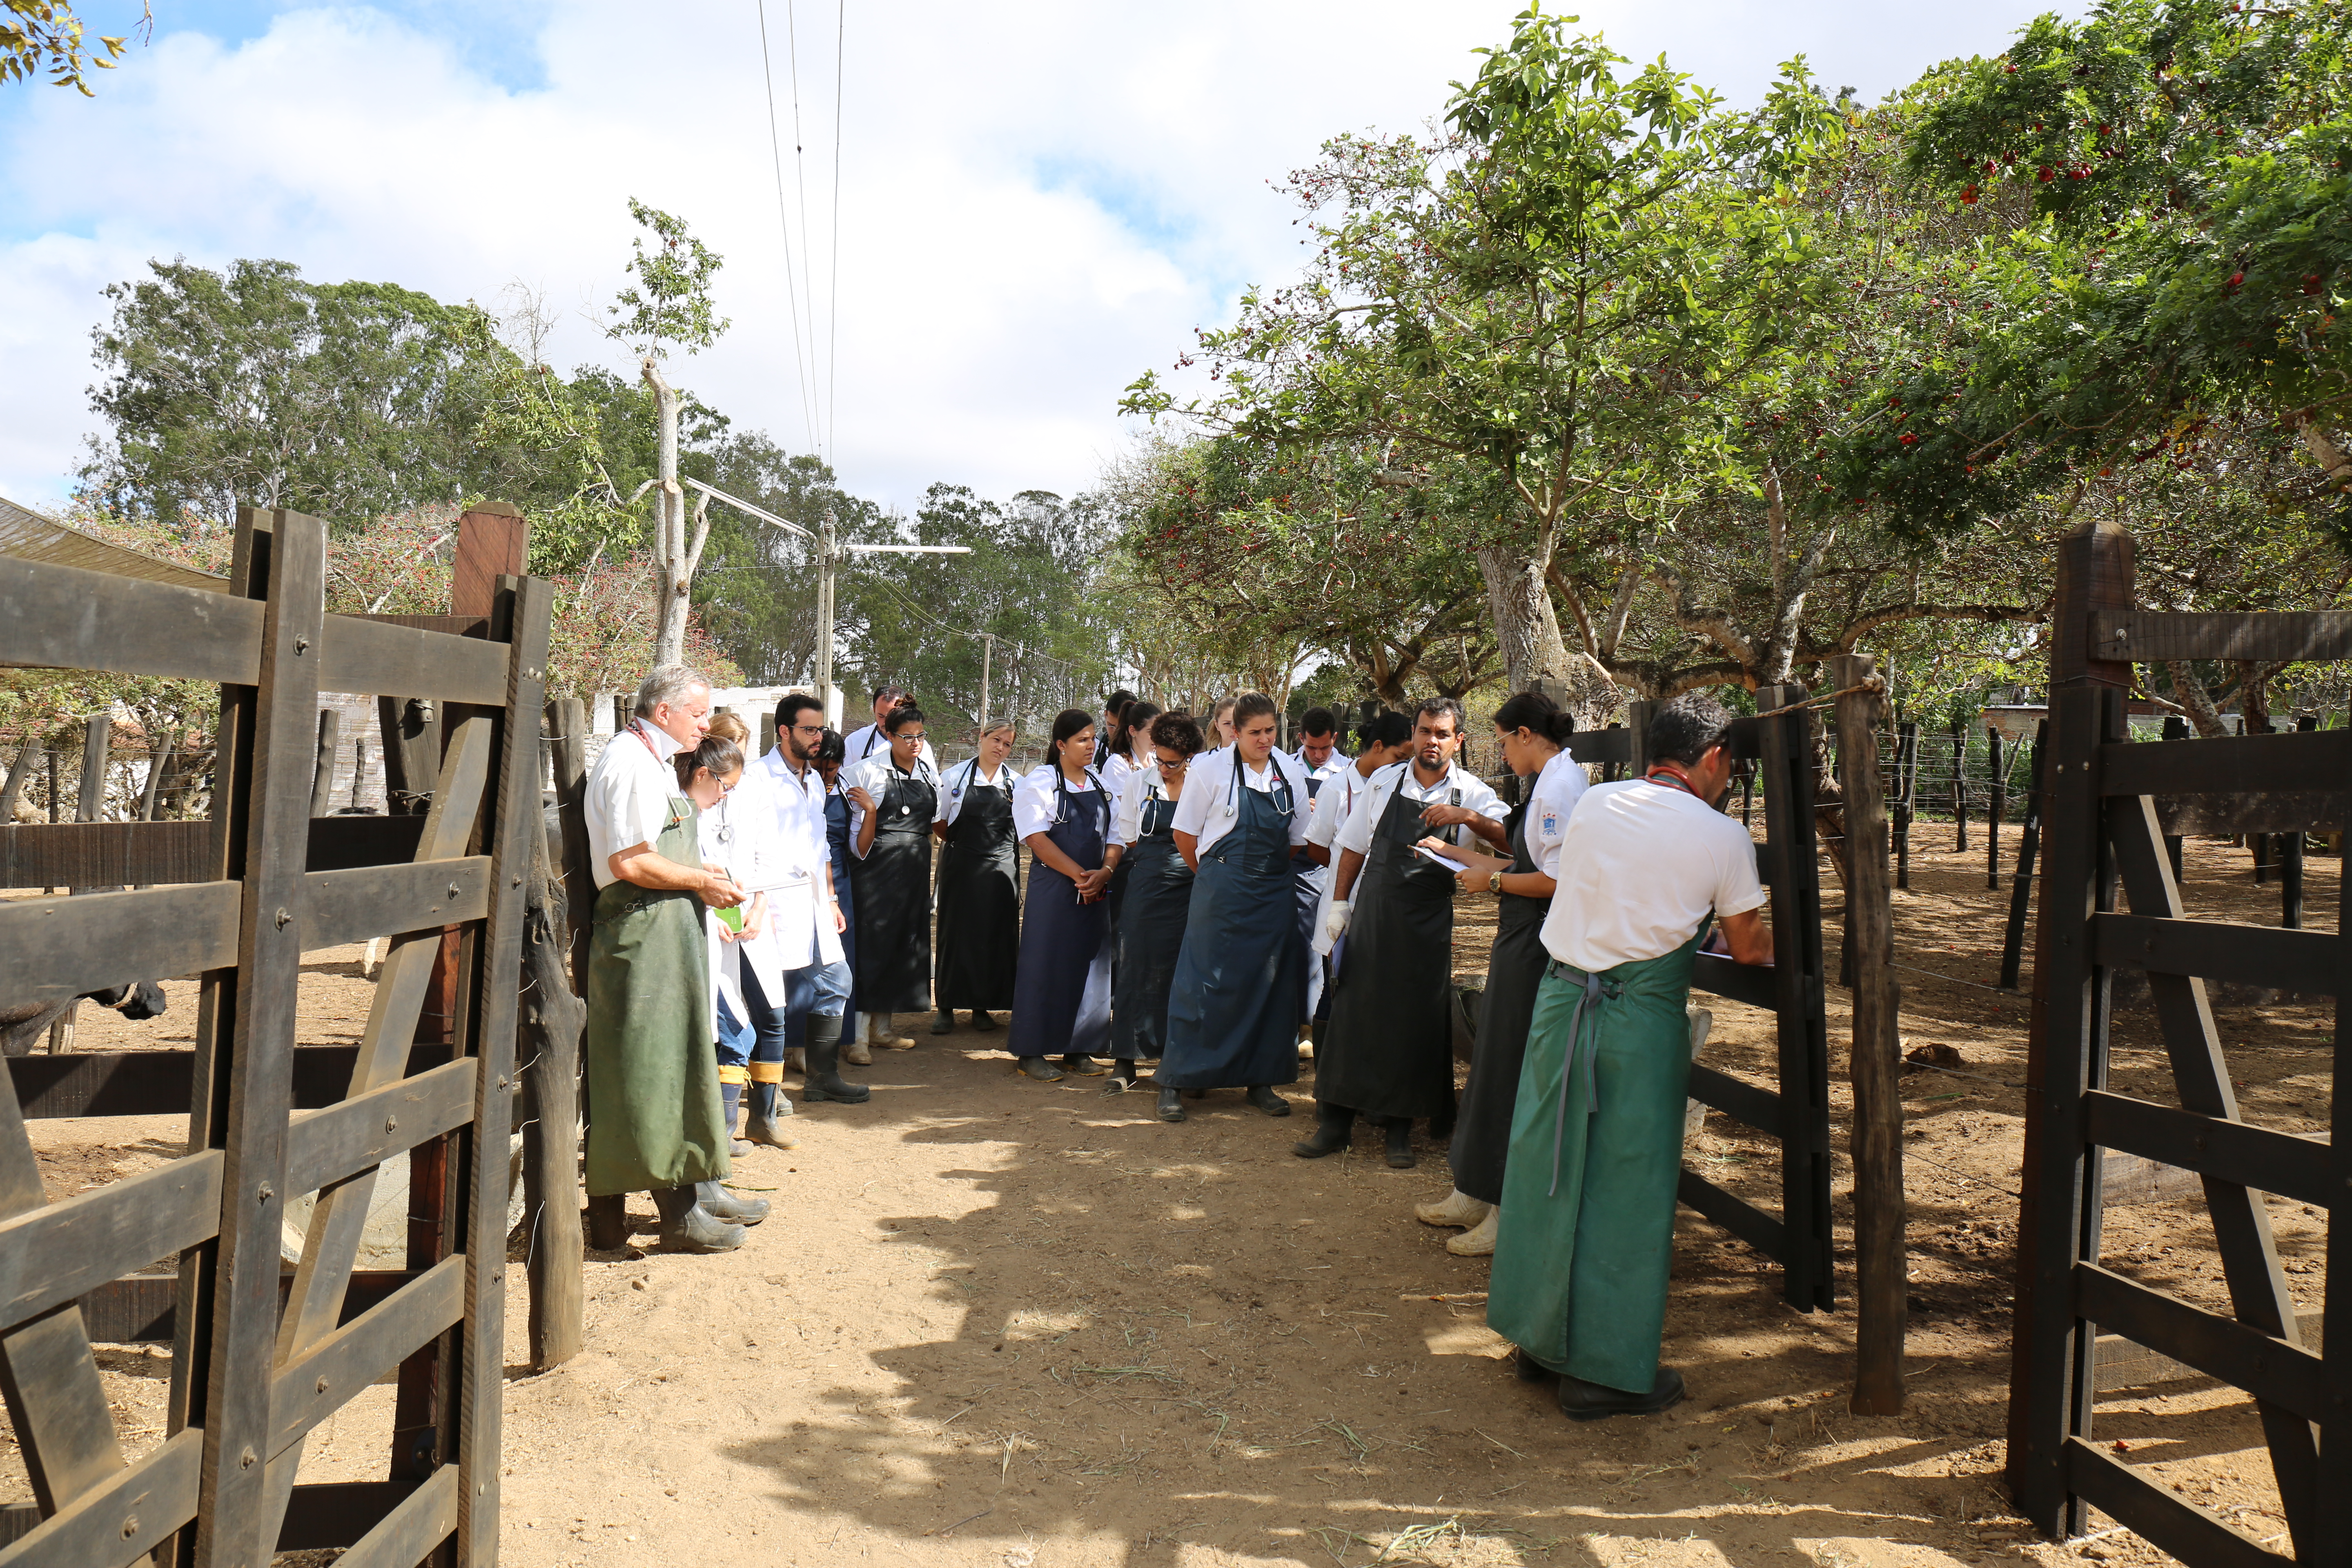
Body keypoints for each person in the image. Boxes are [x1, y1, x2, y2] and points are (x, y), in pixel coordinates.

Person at [1488, 691, 1772, 1421]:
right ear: (1713, 759)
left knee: (1548, 1163)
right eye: (1729, 766)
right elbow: (1747, 948)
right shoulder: (1723, 835)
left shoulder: (1596, 803)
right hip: (1637, 1019)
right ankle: (1606, 1372)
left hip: (1560, 1003)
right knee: (1628, 1183)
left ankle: (1537, 1339)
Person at [581, 667, 769, 1254]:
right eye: (696, 714)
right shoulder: (631, 764)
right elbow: (630, 863)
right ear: (663, 712)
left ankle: (698, 1189)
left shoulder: (654, 761)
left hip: (665, 932)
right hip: (641, 937)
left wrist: (701, 878)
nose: (704, 725)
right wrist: (698, 882)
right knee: (649, 1073)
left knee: (679, 1062)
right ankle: (678, 1214)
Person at [1411, 691, 1586, 1255]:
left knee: (1515, 1068)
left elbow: (1557, 881)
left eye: (1505, 741)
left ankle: (1508, 1206)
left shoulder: (1561, 788)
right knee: (1493, 1061)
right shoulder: (1545, 784)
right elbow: (1523, 861)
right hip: (1518, 937)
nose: (1503, 752)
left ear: (1528, 735)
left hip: (1537, 942)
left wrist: (1490, 883)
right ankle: (1476, 1188)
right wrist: (1460, 855)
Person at [1303, 697, 1508, 1169]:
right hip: (1374, 911)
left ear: (1458, 740)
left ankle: (1400, 1131)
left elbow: (1509, 839)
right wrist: (1339, 904)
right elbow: (1353, 845)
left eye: (1441, 734)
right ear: (1413, 735)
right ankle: (1334, 1125)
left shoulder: (1471, 793)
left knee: (1411, 1021)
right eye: (1423, 732)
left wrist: (1470, 820)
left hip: (1427, 922)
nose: (1430, 741)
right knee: (1354, 1013)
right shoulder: (1384, 781)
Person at [1158, 692, 1312, 1123]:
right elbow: (1185, 836)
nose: (1265, 740)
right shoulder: (1210, 769)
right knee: (1203, 981)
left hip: (1273, 891)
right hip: (1222, 887)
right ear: (1235, 732)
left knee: (1265, 983)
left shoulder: (1290, 771)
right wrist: (1217, 876)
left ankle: (1259, 1079)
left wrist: (1263, 874)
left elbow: (1297, 839)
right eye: (1255, 733)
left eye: (1270, 731)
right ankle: (1176, 1080)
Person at [760, 695, 867, 1106]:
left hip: (815, 904)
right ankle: (764, 1089)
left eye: (820, 729)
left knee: (837, 981)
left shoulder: (812, 782)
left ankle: (823, 1078)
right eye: (809, 729)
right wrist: (756, 903)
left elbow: (820, 846)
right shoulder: (758, 780)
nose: (818, 737)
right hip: (772, 905)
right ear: (784, 731)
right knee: (769, 997)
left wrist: (832, 899)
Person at [1007, 709, 1114, 1081]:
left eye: (1093, 739)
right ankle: (1032, 1050)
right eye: (1082, 740)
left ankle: (1079, 1047)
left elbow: (1117, 836)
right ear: (1061, 745)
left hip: (1096, 889)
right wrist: (1080, 875)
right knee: (1045, 964)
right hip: (1055, 889)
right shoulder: (1039, 782)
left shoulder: (1100, 783)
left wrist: (1105, 873)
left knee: (1090, 966)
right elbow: (1036, 838)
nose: (1091, 746)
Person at [1100, 710, 1203, 1089]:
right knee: (1136, 966)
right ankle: (1126, 1060)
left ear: (1189, 757)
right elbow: (1129, 833)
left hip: (1193, 887)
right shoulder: (1138, 782)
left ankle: (1179, 1060)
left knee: (1184, 972)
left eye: (1172, 762)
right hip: (1146, 884)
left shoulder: (1203, 785)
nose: (1163, 767)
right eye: (1158, 758)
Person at [1302, 711, 1416, 1050]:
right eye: (1400, 757)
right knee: (1336, 984)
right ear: (1377, 746)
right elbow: (1317, 848)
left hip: (1385, 905)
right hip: (1343, 903)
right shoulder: (1337, 788)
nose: (1404, 765)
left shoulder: (1402, 786)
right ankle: (1327, 1070)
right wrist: (1346, 867)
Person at [697, 713, 783, 1155]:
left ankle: (764, 1120)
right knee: (730, 1025)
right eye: (724, 743)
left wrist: (760, 907)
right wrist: (723, 915)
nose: (734, 751)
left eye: (739, 743)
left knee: (771, 1015)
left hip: (752, 916)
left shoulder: (754, 790)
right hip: (717, 921)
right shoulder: (696, 797)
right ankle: (724, 1129)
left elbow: (769, 855)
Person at [844, 703, 937, 1052]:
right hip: (875, 873)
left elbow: (936, 822)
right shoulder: (864, 772)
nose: (915, 743)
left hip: (913, 872)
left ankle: (883, 1029)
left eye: (920, 736)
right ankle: (855, 1039)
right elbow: (852, 835)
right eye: (907, 737)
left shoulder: (929, 774)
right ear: (889, 735)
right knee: (873, 949)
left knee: (902, 946)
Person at [931, 720, 1022, 1033]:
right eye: (996, 740)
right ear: (981, 738)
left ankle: (982, 1007)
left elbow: (1022, 830)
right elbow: (940, 823)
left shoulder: (1016, 784)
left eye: (1007, 744)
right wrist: (963, 845)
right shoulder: (953, 778)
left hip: (1001, 870)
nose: (1001, 748)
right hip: (963, 867)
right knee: (954, 934)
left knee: (992, 937)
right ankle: (945, 1007)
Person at [1284, 707, 1348, 1025]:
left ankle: (1313, 1021)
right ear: (1300, 739)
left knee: (1321, 942)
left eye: (1325, 747)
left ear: (1335, 739)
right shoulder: (1283, 768)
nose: (1319, 755)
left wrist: (1325, 812)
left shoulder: (1348, 771)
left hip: (1329, 868)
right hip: (1290, 864)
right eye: (1312, 748)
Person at [842, 684, 939, 771]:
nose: (886, 723)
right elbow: (845, 781)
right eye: (881, 716)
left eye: (892, 716)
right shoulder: (854, 742)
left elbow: (934, 784)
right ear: (874, 709)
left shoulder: (920, 747)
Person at [1093, 689, 1137, 771]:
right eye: (1112, 726)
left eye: (1123, 728)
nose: (1117, 733)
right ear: (1106, 714)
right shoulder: (1093, 748)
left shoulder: (1146, 750)